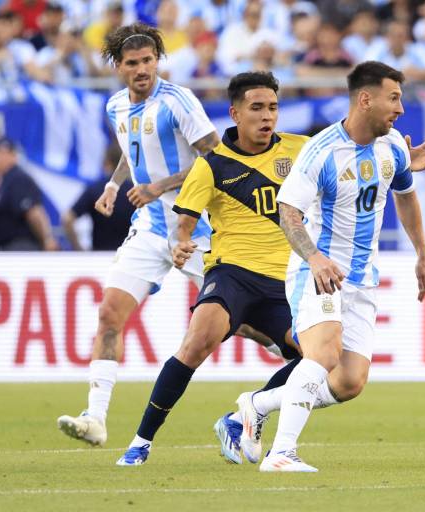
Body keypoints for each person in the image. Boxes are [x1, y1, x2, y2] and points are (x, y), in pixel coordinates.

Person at [56, 24, 285, 448]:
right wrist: (113, 184)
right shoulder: (115, 107)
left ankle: (291, 352)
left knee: (244, 323)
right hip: (149, 229)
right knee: (109, 313)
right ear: (118, 67)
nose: (142, 69)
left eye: (148, 61)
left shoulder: (178, 101)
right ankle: (96, 417)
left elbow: (218, 156)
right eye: (132, 63)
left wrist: (159, 187)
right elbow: (134, 148)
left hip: (194, 228)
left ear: (157, 61)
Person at [114, 71, 309, 466]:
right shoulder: (212, 165)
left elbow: (348, 160)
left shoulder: (301, 149)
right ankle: (140, 441)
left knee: (317, 359)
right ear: (236, 113)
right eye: (257, 108)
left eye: (273, 107)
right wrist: (182, 244)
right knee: (197, 343)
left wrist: (406, 162)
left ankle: (244, 416)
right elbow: (185, 222)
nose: (267, 116)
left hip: (282, 284)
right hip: (231, 273)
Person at [251, 61, 425, 472]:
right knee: (323, 353)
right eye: (394, 98)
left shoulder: (393, 147)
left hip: (363, 280)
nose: (401, 109)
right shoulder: (320, 151)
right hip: (318, 272)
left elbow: (405, 194)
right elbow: (288, 212)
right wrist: (314, 257)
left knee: (349, 382)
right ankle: (281, 454)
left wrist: (422, 253)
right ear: (364, 99)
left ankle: (256, 404)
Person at [0, 136, 58, 251]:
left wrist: (47, 240)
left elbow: (34, 212)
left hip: (21, 248)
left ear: (8, 153)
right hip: (12, 248)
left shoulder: (18, 178)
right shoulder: (7, 180)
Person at [62, 143, 135, 251]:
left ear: (106, 163)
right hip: (130, 253)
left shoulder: (95, 188)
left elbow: (67, 219)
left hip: (99, 255)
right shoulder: (135, 190)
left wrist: (78, 248)